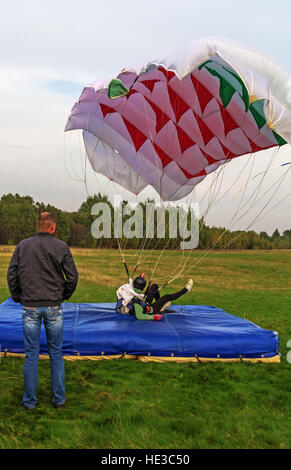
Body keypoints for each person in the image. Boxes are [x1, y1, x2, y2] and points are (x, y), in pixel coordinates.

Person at [7, 212, 78, 410]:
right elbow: (72, 277)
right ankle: (59, 400)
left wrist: (17, 296)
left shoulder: (22, 246)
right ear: (52, 227)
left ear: (38, 225)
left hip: (29, 305)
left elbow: (11, 274)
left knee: (31, 353)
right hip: (53, 306)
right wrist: (63, 296)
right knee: (56, 352)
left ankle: (29, 402)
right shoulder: (61, 247)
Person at [116, 274, 193, 320]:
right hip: (151, 309)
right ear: (142, 288)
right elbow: (140, 316)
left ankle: (160, 304)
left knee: (154, 286)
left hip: (144, 302)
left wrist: (141, 278)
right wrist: (154, 317)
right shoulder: (136, 303)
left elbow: (137, 290)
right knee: (166, 297)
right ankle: (186, 290)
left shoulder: (130, 289)